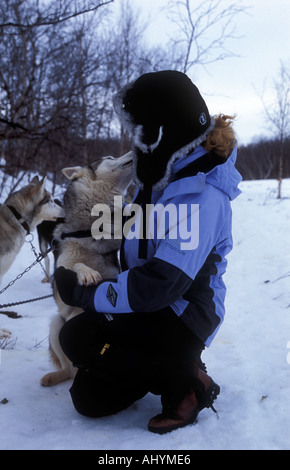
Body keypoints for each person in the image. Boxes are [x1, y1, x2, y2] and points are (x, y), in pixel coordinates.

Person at [54, 70, 242, 434]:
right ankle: (156, 367)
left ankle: (186, 381)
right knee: (88, 395)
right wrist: (73, 234)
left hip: (183, 313)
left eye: (139, 131)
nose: (134, 141)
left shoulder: (202, 196)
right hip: (148, 305)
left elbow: (158, 284)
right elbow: (127, 229)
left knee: (83, 338)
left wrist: (84, 294)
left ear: (161, 133)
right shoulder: (161, 180)